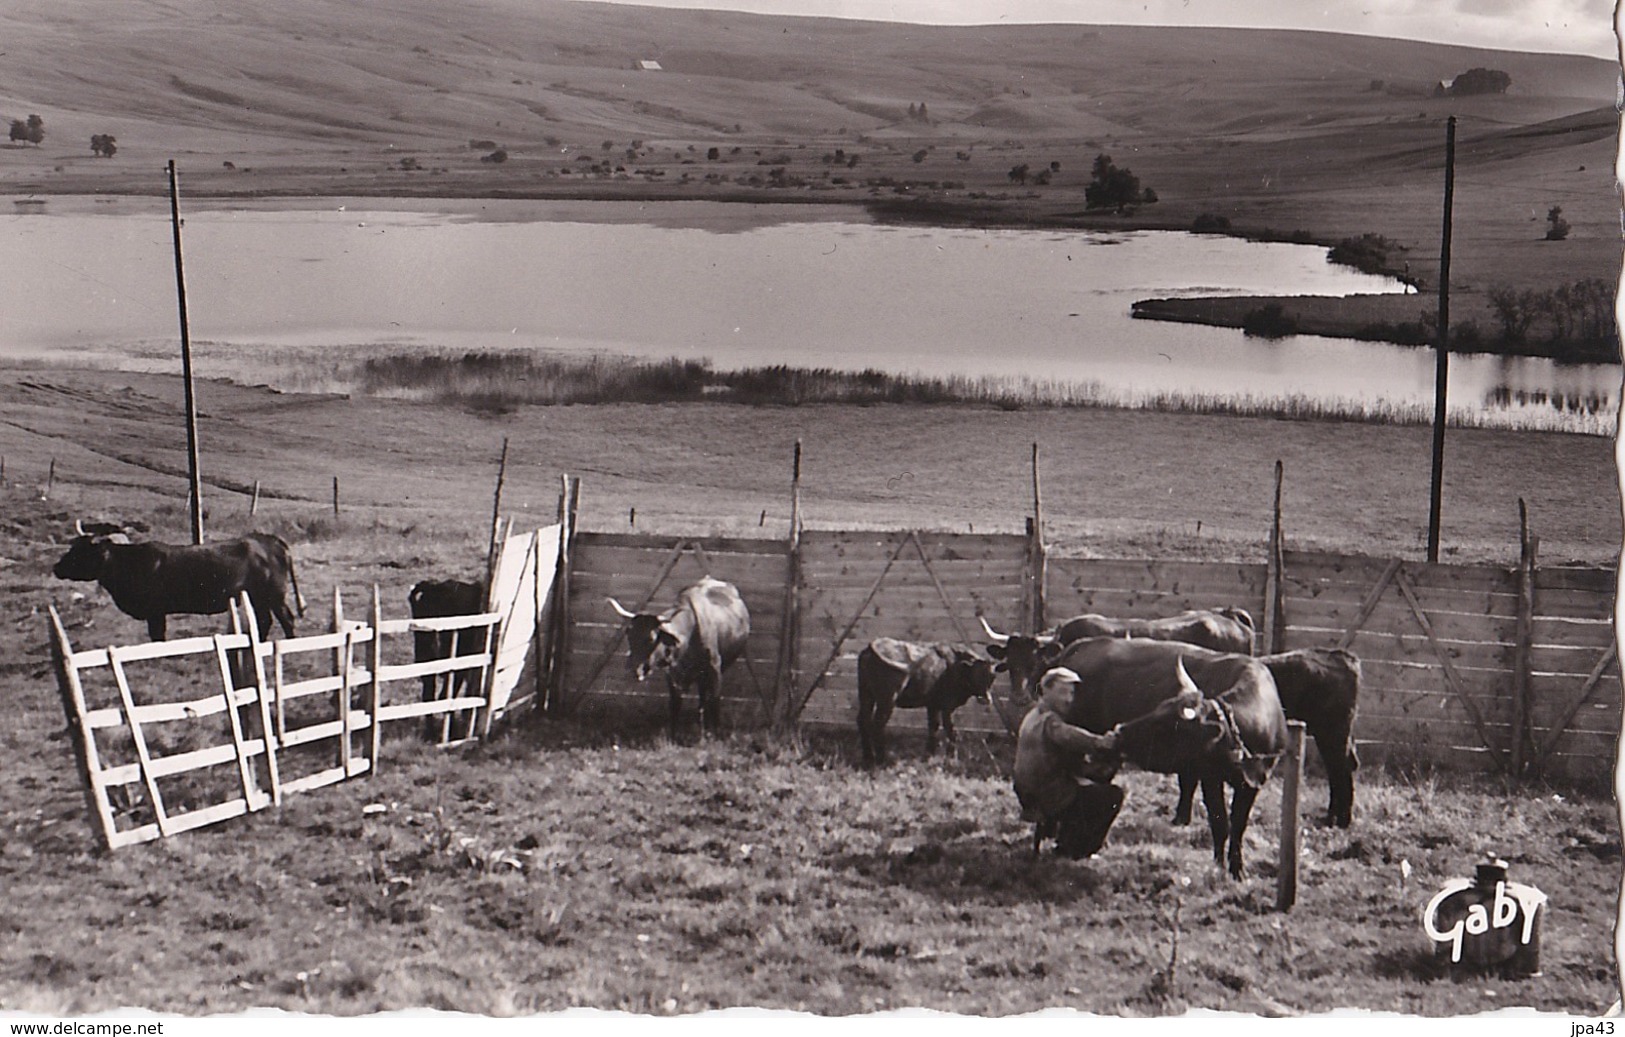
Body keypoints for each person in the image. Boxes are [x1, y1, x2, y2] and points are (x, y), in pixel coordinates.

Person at [1013, 666, 1125, 859]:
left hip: (1026, 790)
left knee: (1087, 781)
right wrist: (1100, 742)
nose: (1068, 699)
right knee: (1112, 795)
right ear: (1046, 690)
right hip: (1048, 794)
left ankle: (1065, 838)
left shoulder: (1032, 715)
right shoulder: (1049, 720)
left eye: (1071, 693)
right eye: (1062, 692)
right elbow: (1067, 735)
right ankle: (1077, 850)